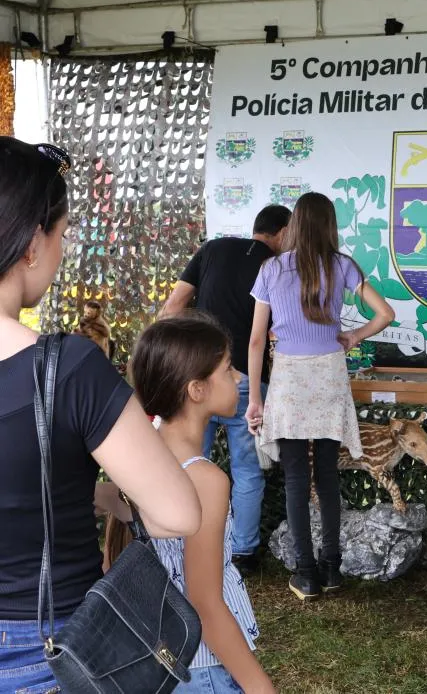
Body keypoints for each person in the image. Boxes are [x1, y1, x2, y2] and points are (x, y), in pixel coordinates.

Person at [0, 137, 201, 692]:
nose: (62, 252)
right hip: (48, 650)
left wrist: (77, 490)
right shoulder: (66, 368)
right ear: (31, 243)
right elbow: (177, 514)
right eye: (63, 235)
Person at [245, 192, 395, 600]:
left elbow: (256, 340)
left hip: (289, 377)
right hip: (329, 373)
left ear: (294, 224)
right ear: (330, 225)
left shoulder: (271, 268)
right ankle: (331, 569)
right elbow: (386, 314)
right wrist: (355, 335)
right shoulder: (342, 265)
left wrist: (256, 397)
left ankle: (306, 574)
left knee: (296, 477)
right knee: (327, 474)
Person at [124, 314, 275, 694]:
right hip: (204, 667)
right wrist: (260, 686)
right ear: (196, 389)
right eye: (228, 369)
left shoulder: (140, 452)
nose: (239, 377)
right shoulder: (204, 480)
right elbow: (205, 604)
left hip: (158, 658)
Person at [160, 204, 291, 572]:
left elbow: (173, 306)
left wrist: (175, 360)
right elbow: (278, 332)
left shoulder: (212, 249)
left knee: (188, 461)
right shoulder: (276, 267)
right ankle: (242, 553)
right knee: (246, 469)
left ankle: (182, 542)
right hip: (244, 380)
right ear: (282, 233)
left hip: (197, 379)